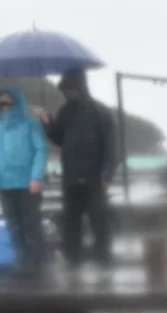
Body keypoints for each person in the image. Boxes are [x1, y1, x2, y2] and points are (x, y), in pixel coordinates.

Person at [39, 68, 117, 270]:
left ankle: (103, 256)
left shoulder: (100, 111)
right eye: (64, 89)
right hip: (71, 175)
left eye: (69, 88)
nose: (66, 93)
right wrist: (48, 125)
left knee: (98, 218)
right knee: (71, 220)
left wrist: (106, 175)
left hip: (94, 177)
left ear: (81, 87)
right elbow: (59, 139)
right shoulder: (65, 111)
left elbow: (111, 148)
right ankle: (73, 257)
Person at [0, 87, 48, 278]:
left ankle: (36, 263)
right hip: (5, 184)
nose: (5, 107)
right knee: (13, 224)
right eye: (1, 104)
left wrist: (36, 177)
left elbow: (41, 150)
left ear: (17, 104)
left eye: (8, 103)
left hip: (28, 184)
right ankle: (22, 260)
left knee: (31, 224)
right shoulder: (0, 127)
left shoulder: (30, 125)